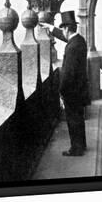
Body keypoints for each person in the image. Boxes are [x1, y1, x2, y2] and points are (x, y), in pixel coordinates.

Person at [40, 11, 88, 156]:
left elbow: (68, 73)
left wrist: (61, 91)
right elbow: (65, 37)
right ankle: (81, 144)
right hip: (80, 89)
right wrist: (52, 28)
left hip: (71, 91)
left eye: (63, 29)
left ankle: (76, 149)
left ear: (67, 28)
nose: (63, 32)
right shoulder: (79, 41)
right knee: (78, 118)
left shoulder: (72, 47)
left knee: (72, 120)